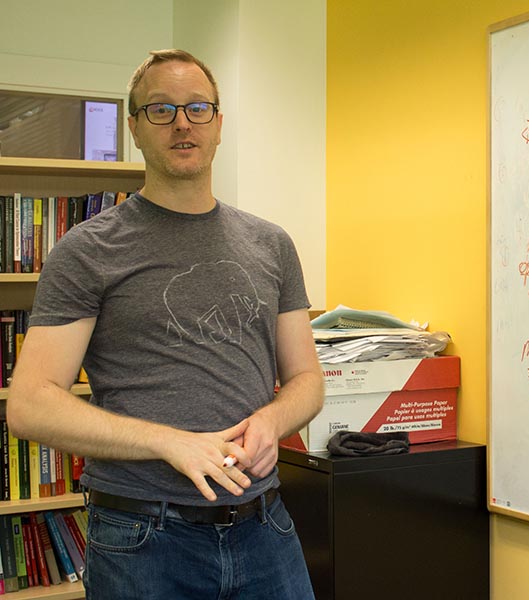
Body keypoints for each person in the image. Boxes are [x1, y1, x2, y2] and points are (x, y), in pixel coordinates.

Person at [7, 49, 324, 599]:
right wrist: (170, 443)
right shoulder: (87, 250)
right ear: (134, 128)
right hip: (143, 537)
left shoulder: (271, 244)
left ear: (219, 124)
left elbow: (308, 380)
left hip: (264, 528)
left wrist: (273, 421)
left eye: (198, 108)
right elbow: (31, 403)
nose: (182, 121)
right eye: (160, 109)